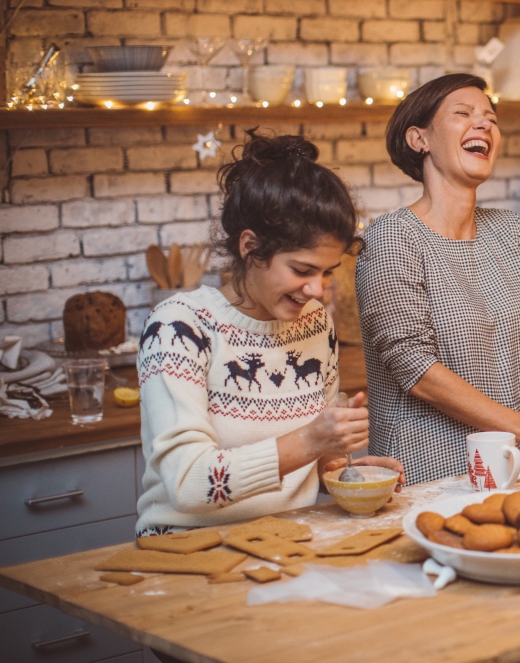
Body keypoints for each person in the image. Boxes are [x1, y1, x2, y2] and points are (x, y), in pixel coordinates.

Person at [135, 134, 403, 537]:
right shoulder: (178, 327)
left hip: (285, 538)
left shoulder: (314, 322)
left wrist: (343, 473)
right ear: (250, 247)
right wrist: (311, 441)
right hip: (185, 547)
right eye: (302, 270)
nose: (317, 289)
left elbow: (310, 461)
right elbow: (187, 484)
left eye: (326, 272)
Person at [357, 73, 520, 486]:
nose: (483, 124)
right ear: (419, 139)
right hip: (434, 474)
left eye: (491, 118)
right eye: (463, 113)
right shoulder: (391, 237)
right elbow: (414, 366)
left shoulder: (508, 229)